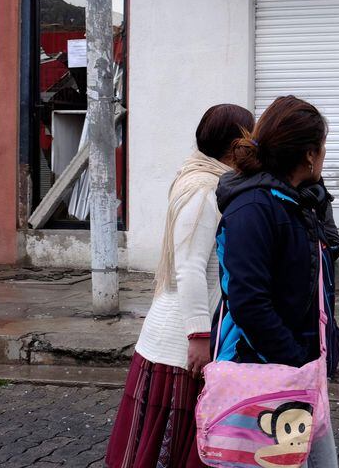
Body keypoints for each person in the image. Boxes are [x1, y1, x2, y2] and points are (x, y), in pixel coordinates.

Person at [106, 103, 255, 468]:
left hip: (179, 334)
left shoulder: (202, 178)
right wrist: (198, 336)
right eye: (249, 136)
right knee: (171, 443)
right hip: (179, 341)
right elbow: (189, 267)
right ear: (235, 145)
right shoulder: (205, 189)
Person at [212, 95, 339, 468]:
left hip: (302, 371)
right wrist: (292, 362)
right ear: (308, 154)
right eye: (322, 148)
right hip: (267, 373)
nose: (324, 156)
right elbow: (249, 303)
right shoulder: (253, 208)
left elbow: (321, 266)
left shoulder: (302, 203)